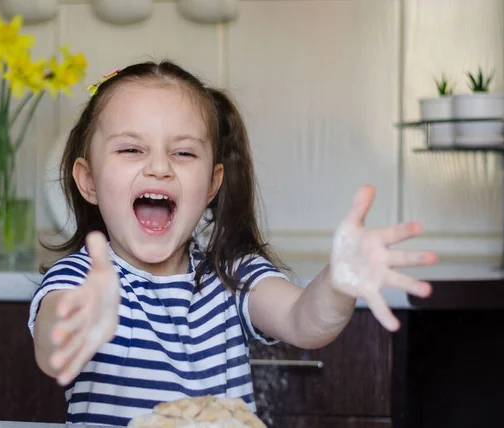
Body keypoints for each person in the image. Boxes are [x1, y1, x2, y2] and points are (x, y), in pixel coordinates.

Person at [28, 60, 437, 426]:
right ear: (88, 181)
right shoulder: (81, 277)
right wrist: (74, 321)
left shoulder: (233, 275)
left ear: (211, 185)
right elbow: (52, 346)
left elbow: (304, 321)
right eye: (132, 149)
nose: (159, 167)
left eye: (184, 153)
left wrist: (338, 281)